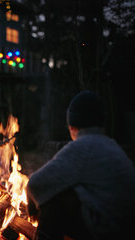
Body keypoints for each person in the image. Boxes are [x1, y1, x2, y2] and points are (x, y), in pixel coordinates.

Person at [26, 90, 135, 240]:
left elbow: (35, 184)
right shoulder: (111, 146)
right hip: (125, 226)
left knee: (53, 202)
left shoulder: (84, 146)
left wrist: (32, 210)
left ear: (72, 125)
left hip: (107, 229)